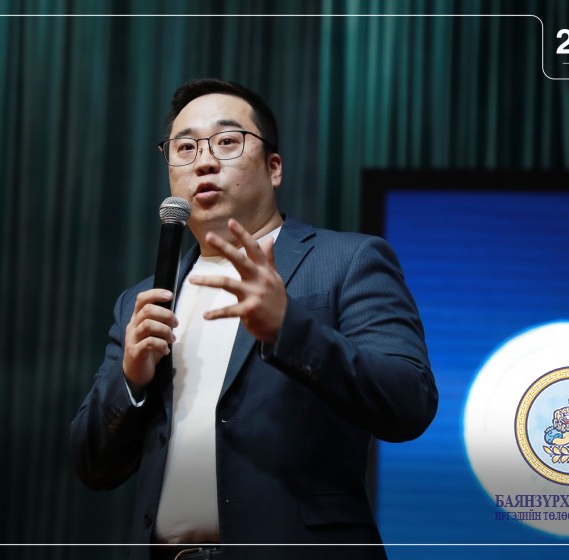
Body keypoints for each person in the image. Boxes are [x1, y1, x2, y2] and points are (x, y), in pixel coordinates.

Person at [70, 79, 438, 560]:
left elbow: (410, 400)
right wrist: (131, 382)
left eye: (227, 141)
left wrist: (289, 329)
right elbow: (92, 466)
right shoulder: (142, 301)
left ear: (274, 167)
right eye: (185, 148)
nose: (203, 162)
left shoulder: (348, 261)